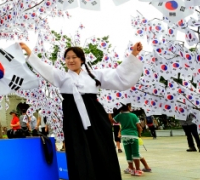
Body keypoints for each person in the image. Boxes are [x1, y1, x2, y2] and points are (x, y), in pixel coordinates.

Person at [20, 41, 143, 180]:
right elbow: (44, 68)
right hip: (73, 117)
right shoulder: (62, 77)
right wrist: (28, 51)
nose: (70, 60)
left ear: (81, 59)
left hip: (95, 115)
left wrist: (133, 54)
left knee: (102, 146)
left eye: (74, 57)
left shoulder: (94, 75)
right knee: (78, 149)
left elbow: (119, 76)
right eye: (67, 58)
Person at [114, 104, 143, 176]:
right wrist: (139, 134)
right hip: (133, 135)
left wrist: (109, 114)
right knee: (135, 153)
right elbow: (139, 127)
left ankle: (132, 169)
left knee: (128, 153)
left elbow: (113, 121)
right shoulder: (133, 115)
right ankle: (138, 170)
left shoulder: (119, 115)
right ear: (128, 107)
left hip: (124, 136)